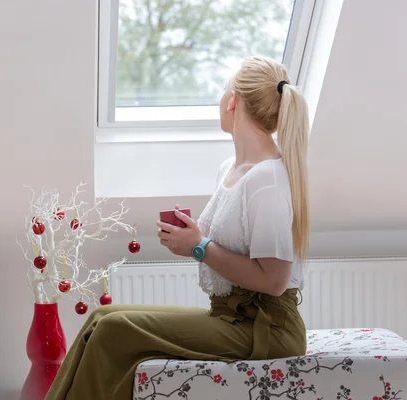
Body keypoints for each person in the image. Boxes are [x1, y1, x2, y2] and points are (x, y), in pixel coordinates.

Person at [44, 55, 309, 400]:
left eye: (223, 90)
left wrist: (199, 246)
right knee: (102, 317)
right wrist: (190, 238)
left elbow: (274, 282)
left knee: (113, 330)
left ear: (233, 102)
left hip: (266, 328)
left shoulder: (268, 179)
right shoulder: (231, 167)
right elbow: (228, 245)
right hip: (230, 316)